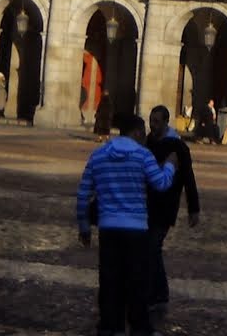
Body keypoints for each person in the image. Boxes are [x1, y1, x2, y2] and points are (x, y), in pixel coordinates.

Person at [77, 113, 176, 336]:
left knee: (109, 280)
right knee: (136, 282)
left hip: (108, 228)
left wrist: (84, 226)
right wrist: (170, 166)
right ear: (138, 133)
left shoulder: (98, 155)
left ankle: (109, 327)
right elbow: (161, 184)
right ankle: (139, 328)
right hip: (136, 229)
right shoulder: (143, 156)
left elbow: (83, 193)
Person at [145, 106, 200, 314]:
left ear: (166, 122)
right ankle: (160, 293)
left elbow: (189, 178)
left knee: (152, 247)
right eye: (151, 120)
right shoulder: (148, 142)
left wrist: (193, 209)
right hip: (148, 204)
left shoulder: (178, 146)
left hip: (166, 206)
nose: (153, 125)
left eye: (157, 121)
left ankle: (154, 293)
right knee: (152, 250)